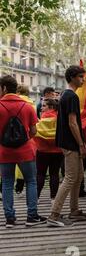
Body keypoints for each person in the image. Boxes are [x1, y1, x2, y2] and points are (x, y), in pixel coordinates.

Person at [47, 65, 86, 227]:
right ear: (72, 77)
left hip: (68, 141)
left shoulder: (65, 95)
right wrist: (81, 144)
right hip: (71, 143)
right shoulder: (71, 96)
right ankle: (54, 214)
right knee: (71, 178)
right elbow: (73, 123)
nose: (83, 79)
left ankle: (74, 210)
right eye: (80, 76)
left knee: (79, 176)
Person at [0, 75, 46, 227]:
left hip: (4, 151)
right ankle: (31, 216)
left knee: (7, 183)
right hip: (25, 151)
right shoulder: (28, 106)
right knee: (31, 181)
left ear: (4, 88)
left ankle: (10, 219)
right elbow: (33, 131)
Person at [34, 98, 63, 202]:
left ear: (51, 107)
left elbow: (34, 132)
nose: (41, 108)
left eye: (44, 106)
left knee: (40, 174)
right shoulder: (59, 118)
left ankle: (36, 197)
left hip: (42, 150)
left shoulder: (43, 119)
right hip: (57, 151)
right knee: (54, 174)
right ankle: (53, 198)